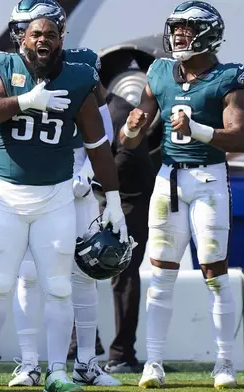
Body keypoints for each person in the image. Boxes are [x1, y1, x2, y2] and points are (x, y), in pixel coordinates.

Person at [0, 9, 129, 392]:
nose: (43, 39)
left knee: (59, 286)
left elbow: (98, 142)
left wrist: (115, 199)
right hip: (8, 195)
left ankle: (58, 370)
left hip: (57, 193)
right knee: (1, 282)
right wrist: (26, 101)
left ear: (61, 38)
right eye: (35, 33)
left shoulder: (79, 73)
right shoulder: (2, 67)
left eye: (51, 34)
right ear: (22, 37)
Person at [119, 1, 244, 388]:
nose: (178, 35)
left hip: (209, 179)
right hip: (168, 180)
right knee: (160, 274)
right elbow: (133, 136)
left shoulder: (229, 76)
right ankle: (153, 363)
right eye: (175, 27)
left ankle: (224, 363)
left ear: (209, 34)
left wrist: (197, 130)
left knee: (214, 273)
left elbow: (240, 138)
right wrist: (131, 128)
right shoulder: (159, 70)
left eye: (187, 28)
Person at [99, 83, 155, 375]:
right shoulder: (91, 108)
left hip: (128, 202)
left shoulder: (118, 110)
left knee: (123, 272)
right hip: (99, 198)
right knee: (73, 269)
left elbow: (126, 157)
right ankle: (79, 344)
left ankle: (123, 353)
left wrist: (91, 181)